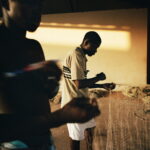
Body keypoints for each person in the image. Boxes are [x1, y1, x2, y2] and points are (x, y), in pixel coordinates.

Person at [0, 0, 100, 149]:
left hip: (44, 141)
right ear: (5, 3)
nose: (37, 10)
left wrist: (51, 84)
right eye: (29, 2)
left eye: (40, 4)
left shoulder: (33, 47)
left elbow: (35, 98)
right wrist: (58, 117)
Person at [61, 31, 115, 150]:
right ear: (86, 42)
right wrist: (98, 77)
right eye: (95, 47)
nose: (95, 51)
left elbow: (81, 83)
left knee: (90, 130)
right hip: (73, 104)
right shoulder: (77, 55)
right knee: (76, 137)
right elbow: (79, 84)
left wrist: (102, 85)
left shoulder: (80, 56)